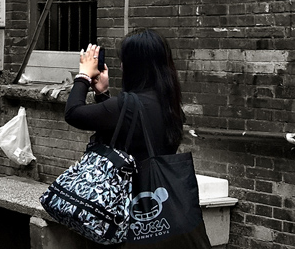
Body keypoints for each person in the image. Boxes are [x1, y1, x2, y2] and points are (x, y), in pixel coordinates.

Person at [64, 29, 211, 249]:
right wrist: (103, 94)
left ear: (134, 65)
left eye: (124, 61)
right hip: (166, 211)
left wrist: (83, 76)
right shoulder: (169, 103)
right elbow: (130, 131)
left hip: (128, 210)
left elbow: (73, 113)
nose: (121, 67)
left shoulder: (128, 105)